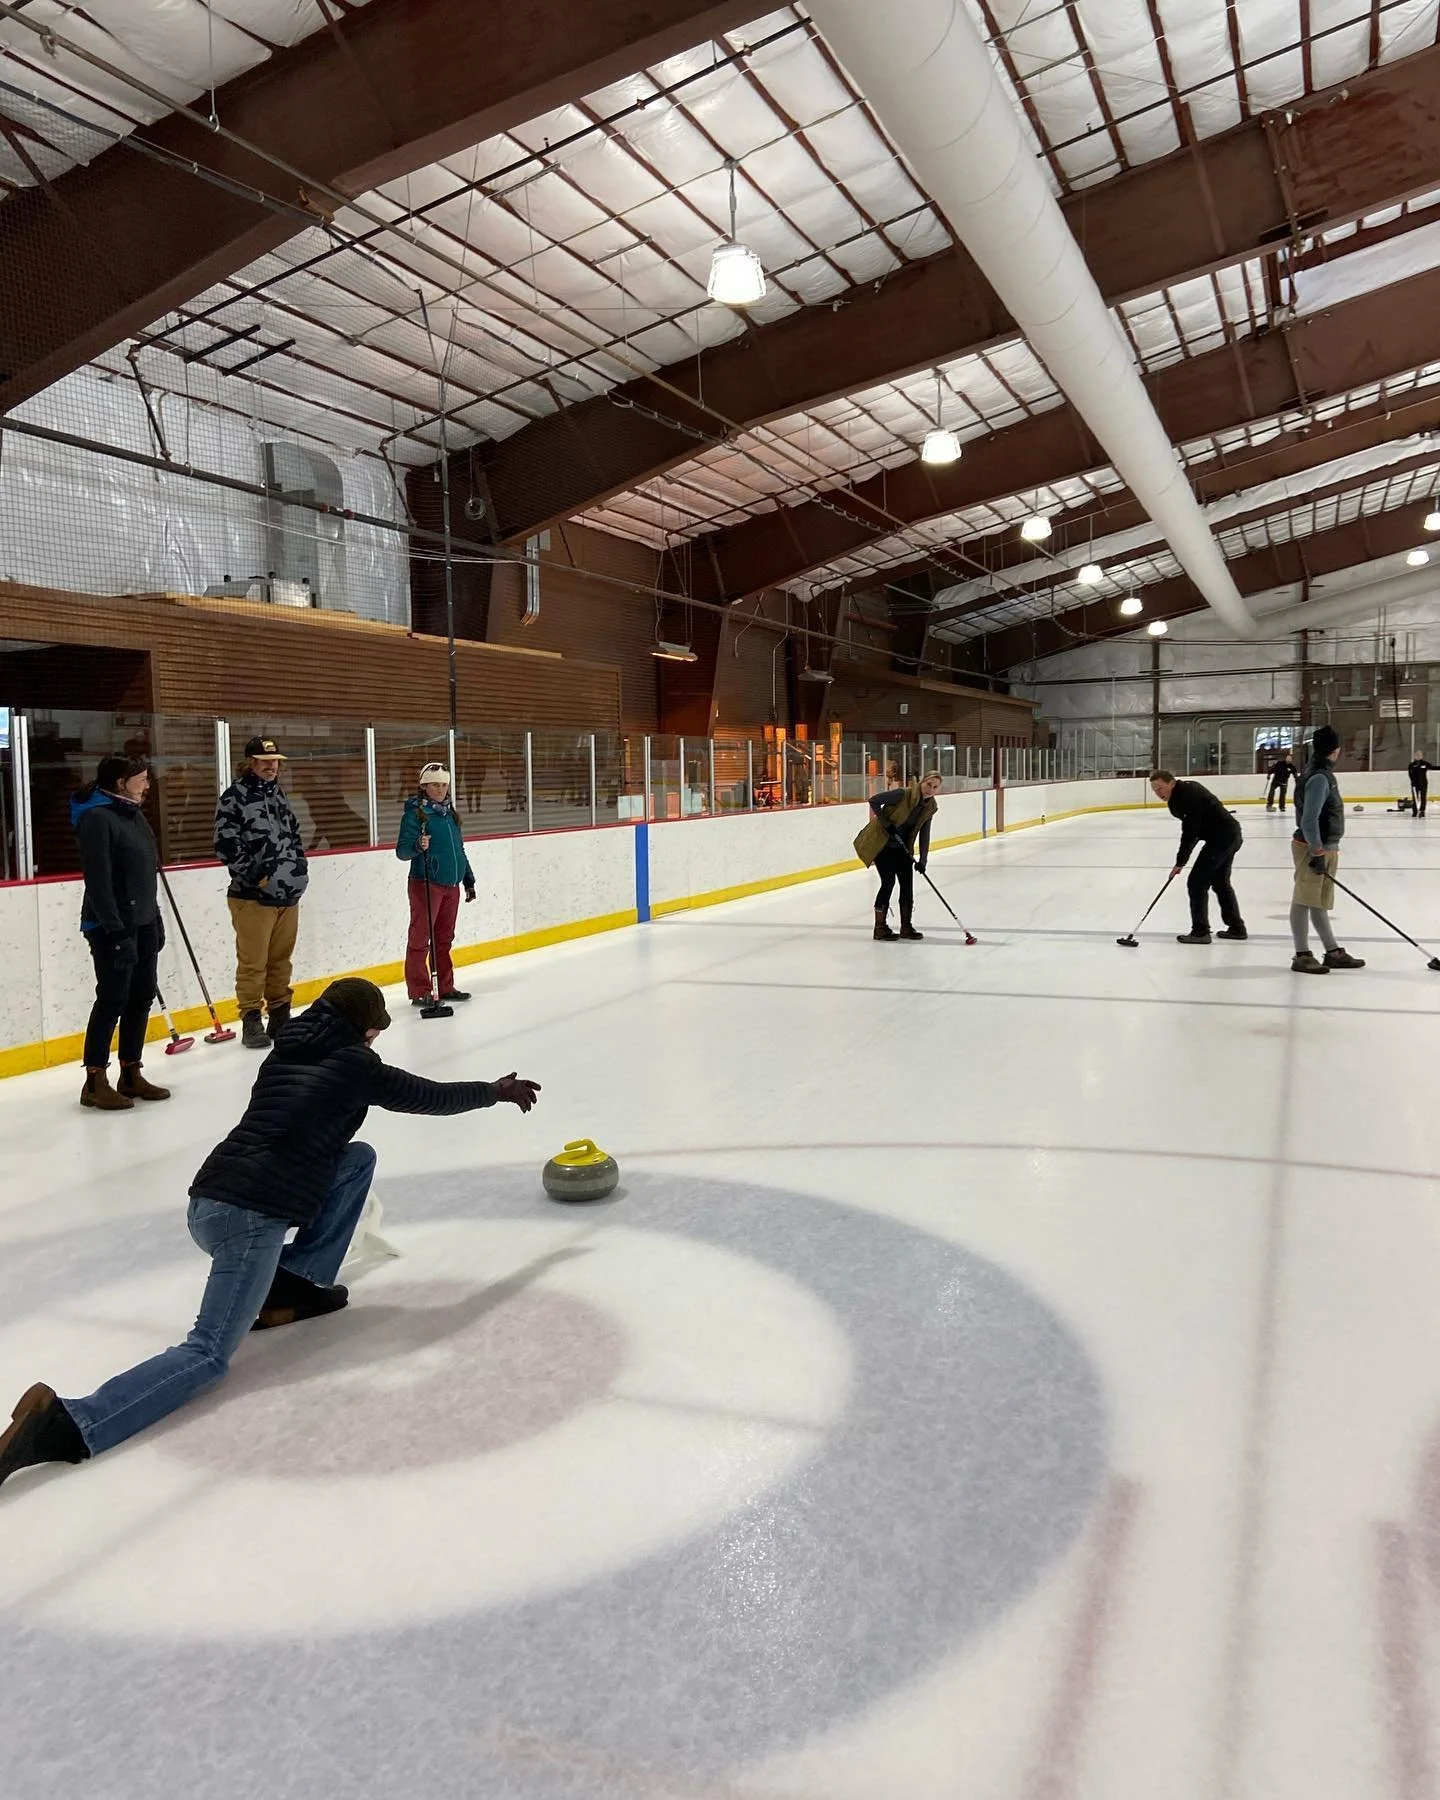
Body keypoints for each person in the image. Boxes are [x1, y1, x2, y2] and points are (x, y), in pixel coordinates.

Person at [0, 978, 542, 1491]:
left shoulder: (286, 1049)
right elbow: (427, 1096)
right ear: (363, 1027)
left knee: (356, 1159)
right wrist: (494, 1090)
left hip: (206, 1201)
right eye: (375, 1028)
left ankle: (293, 1286)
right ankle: (69, 1421)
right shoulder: (357, 1063)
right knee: (208, 1353)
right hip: (250, 1215)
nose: (378, 1036)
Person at [71, 752, 172, 1112]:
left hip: (142, 921)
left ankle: (131, 1071)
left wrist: (154, 918)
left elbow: (143, 876)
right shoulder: (97, 820)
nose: (147, 785)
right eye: (142, 779)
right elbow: (98, 883)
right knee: (113, 997)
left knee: (141, 995)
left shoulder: (134, 816)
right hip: (110, 925)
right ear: (120, 783)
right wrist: (115, 932)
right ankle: (95, 1080)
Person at [215, 735, 309, 1051]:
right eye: (265, 761)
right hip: (251, 897)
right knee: (253, 962)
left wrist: (299, 871)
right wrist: (257, 877)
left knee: (281, 960)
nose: (271, 766)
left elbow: (294, 834)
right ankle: (251, 1018)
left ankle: (280, 1015)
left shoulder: (279, 795)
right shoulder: (234, 797)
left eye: (275, 761)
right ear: (250, 763)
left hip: (287, 893)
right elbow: (225, 844)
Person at [396, 762, 476, 1005]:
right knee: (421, 938)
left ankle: (444, 986)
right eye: (434, 785)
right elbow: (402, 851)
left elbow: (459, 850)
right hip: (426, 883)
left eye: (444, 785)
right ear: (424, 786)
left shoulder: (450, 815)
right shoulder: (416, 815)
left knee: (444, 938)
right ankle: (420, 989)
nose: (440, 789)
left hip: (451, 885)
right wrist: (417, 846)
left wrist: (468, 879)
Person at [1290, 725, 1365, 974]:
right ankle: (1301, 954)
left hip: (1323, 846)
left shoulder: (1318, 772)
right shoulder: (1320, 776)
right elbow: (1309, 820)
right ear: (1336, 750)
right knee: (1304, 898)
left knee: (1318, 901)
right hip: (1313, 847)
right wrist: (1317, 851)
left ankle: (1332, 951)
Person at [1149, 770, 1246, 944]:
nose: (1158, 793)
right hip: (1227, 835)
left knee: (1196, 882)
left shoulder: (1187, 794)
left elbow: (1190, 832)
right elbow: (1196, 829)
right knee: (1220, 883)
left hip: (1223, 838)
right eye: (1154, 790)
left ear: (1171, 783)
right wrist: (1182, 861)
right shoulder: (1178, 797)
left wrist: (1180, 862)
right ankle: (1237, 928)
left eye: (1160, 788)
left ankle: (1200, 931)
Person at [855, 771, 943, 941]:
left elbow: (925, 834)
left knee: (907, 887)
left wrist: (923, 860)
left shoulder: (930, 807)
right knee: (888, 883)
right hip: (883, 846)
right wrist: (885, 823)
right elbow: (874, 800)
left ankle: (906, 927)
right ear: (921, 782)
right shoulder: (902, 794)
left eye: (935, 787)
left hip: (903, 849)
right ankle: (880, 928)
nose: (930, 789)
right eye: (928, 784)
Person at [1408, 754, 1437, 819]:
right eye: (1417, 755)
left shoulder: (1425, 763)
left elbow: (1433, 767)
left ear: (1422, 756)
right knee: (1415, 799)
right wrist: (1412, 782)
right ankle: (1415, 811)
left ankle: (1422, 811)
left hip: (1423, 784)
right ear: (1414, 756)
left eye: (1419, 755)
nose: (1418, 757)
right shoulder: (1411, 765)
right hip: (1415, 785)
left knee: (1423, 797)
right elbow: (1410, 774)